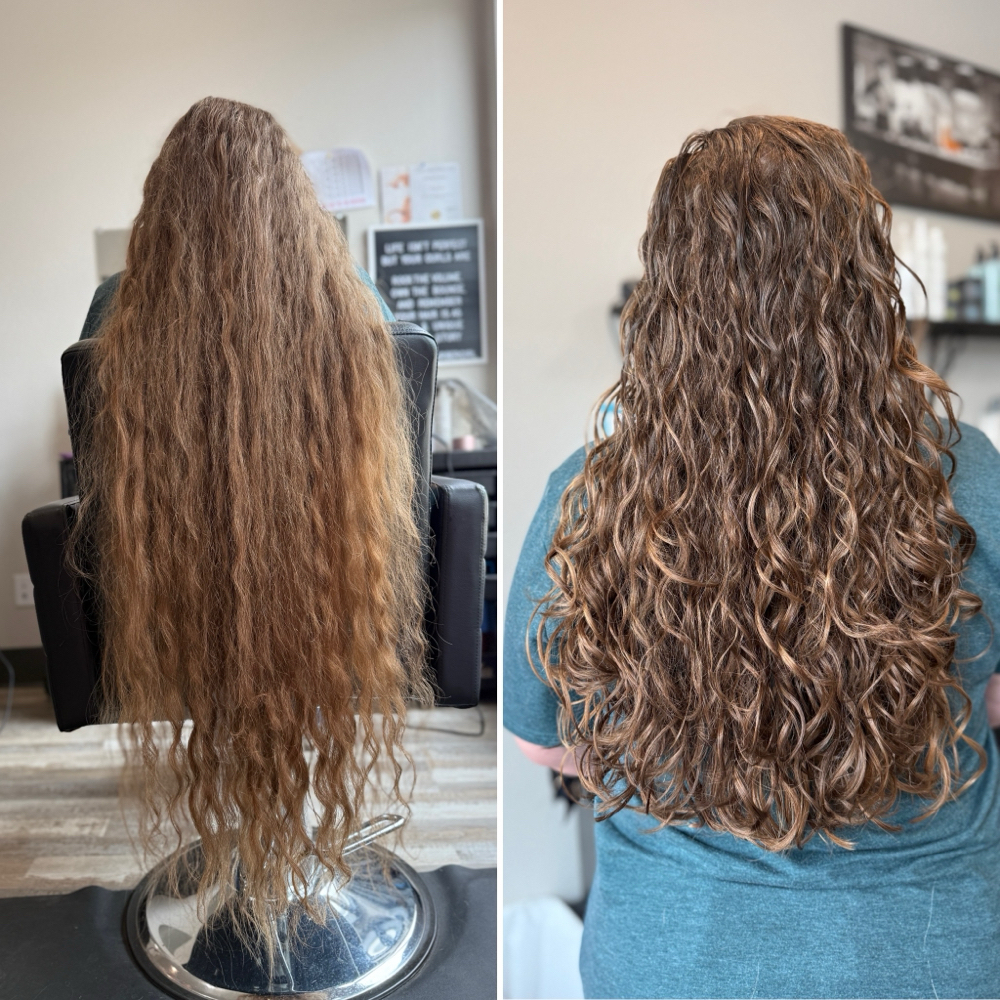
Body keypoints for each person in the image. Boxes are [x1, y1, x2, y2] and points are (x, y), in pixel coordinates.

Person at [504, 116, 1000, 998]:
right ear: (864, 280)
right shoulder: (969, 474)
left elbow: (541, 743)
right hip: (920, 958)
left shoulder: (589, 492)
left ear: (672, 291)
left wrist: (683, 744)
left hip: (674, 959)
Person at [70, 96, 431, 951]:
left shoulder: (115, 312)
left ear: (162, 210)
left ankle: (251, 850)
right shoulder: (357, 305)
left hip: (178, 621)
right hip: (333, 613)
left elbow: (101, 501)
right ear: (295, 200)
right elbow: (401, 503)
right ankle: (287, 846)